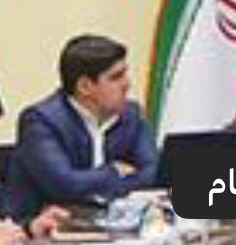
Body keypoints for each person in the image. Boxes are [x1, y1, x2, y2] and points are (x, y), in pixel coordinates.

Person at [4, 35, 157, 223]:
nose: (127, 84)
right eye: (116, 77)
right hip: (40, 231)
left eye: (125, 74)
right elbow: (65, 186)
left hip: (110, 227)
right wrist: (114, 171)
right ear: (84, 87)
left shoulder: (130, 115)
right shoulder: (41, 121)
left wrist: (97, 185)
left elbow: (152, 174)